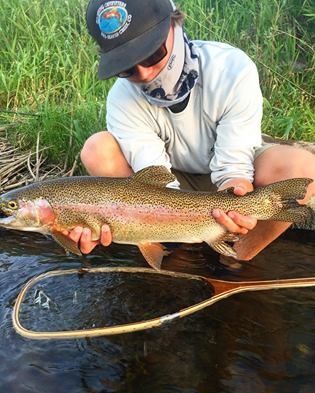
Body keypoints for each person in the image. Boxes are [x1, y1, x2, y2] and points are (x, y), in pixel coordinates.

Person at [64, 0, 314, 260]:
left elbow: (234, 167)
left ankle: (235, 258)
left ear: (175, 22)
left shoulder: (231, 68)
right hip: (169, 186)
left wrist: (240, 205)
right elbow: (154, 180)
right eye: (127, 68)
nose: (145, 73)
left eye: (152, 54)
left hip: (230, 182)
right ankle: (176, 252)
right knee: (97, 149)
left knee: (303, 167)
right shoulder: (122, 99)